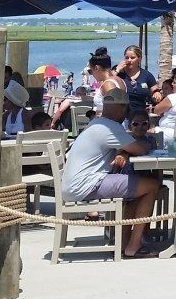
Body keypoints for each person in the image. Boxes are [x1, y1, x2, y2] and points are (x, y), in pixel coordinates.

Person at [59, 90, 162, 257]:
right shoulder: (110, 127)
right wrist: (133, 149)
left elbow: (126, 148)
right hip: (87, 185)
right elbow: (140, 148)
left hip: (74, 185)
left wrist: (125, 152)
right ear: (122, 108)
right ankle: (133, 246)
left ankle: (124, 242)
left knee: (139, 188)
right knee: (151, 186)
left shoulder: (97, 123)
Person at [117, 44, 157, 111]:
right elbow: (108, 81)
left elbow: (155, 90)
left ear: (139, 59)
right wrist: (117, 70)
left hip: (140, 115)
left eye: (132, 58)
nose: (129, 60)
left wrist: (156, 94)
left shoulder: (146, 75)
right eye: (127, 58)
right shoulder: (119, 74)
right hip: (121, 115)